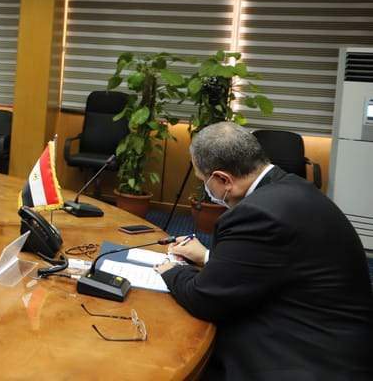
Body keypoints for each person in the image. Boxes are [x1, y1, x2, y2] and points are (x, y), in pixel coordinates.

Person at [155, 122, 373, 380]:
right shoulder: (289, 186)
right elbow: (270, 260)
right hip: (331, 328)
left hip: (312, 355)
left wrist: (172, 271)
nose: (206, 190)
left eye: (204, 181)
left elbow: (204, 299)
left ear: (223, 179)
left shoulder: (257, 213)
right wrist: (206, 257)